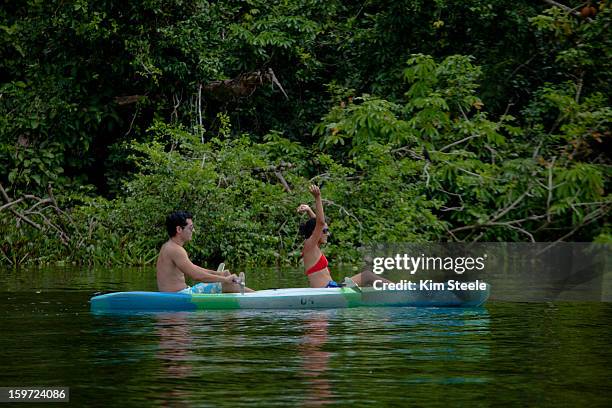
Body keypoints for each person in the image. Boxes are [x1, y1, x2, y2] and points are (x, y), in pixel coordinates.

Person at [297, 185, 392, 288]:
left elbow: (319, 224)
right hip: (327, 291)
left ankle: (399, 288)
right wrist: (318, 197)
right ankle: (400, 289)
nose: (327, 233)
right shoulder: (309, 245)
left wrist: (309, 210)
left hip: (332, 288)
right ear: (315, 232)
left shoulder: (313, 247)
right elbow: (320, 223)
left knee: (367, 275)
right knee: (367, 276)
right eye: (325, 231)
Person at [156, 211, 253, 293]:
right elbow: (196, 275)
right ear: (179, 229)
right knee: (226, 284)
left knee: (225, 279)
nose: (193, 231)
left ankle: (255, 295)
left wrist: (218, 274)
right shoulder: (175, 250)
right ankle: (258, 296)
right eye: (190, 228)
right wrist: (225, 279)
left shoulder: (169, 246)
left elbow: (194, 268)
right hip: (181, 295)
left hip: (181, 293)